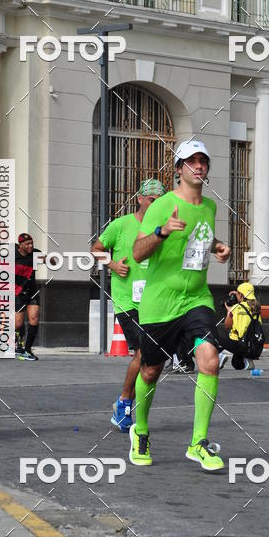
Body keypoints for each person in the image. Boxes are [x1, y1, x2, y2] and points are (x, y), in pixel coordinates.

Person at [130, 140, 231, 472]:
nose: (198, 166)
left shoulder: (210, 207)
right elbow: (137, 253)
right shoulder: (162, 205)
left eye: (203, 161)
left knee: (210, 360)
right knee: (150, 370)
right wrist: (161, 232)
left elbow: (199, 238)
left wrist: (218, 246)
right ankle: (140, 430)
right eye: (191, 161)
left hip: (197, 299)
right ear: (178, 169)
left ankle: (198, 442)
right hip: (160, 304)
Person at [91, 178, 167, 431]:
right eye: (152, 200)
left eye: (160, 201)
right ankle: (124, 403)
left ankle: (125, 403)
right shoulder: (121, 225)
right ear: (140, 199)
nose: (156, 205)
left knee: (154, 360)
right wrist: (113, 264)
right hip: (127, 301)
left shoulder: (162, 230)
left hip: (154, 301)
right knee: (143, 353)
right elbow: (96, 249)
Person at [218, 281, 262, 370]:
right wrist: (239, 294)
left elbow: (227, 326)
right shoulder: (256, 308)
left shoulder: (236, 308)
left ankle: (218, 357)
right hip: (254, 347)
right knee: (237, 364)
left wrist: (229, 312)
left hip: (240, 344)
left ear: (241, 295)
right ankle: (247, 359)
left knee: (216, 331)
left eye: (238, 293)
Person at [14, 233, 43, 360]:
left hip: (32, 292)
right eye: (27, 244)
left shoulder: (36, 253)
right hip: (17, 292)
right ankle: (18, 346)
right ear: (20, 245)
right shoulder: (12, 254)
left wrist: (49, 259)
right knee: (18, 324)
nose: (31, 246)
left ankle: (28, 350)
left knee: (34, 318)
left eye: (32, 243)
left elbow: (53, 262)